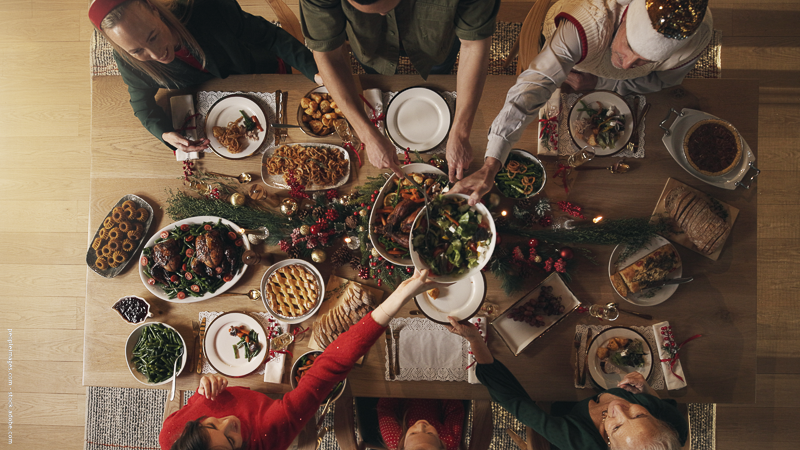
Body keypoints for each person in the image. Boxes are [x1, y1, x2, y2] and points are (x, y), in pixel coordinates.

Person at [451, 0, 713, 204]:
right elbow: (533, 88)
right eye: (629, 47)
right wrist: (491, 163)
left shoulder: (697, 40)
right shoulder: (588, 23)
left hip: (596, 81)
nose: (627, 65)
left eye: (644, 61)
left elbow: (657, 82)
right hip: (566, 52)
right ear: (624, 18)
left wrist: (602, 83)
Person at [159, 269, 437, 450]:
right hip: (277, 416)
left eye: (211, 424)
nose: (227, 421)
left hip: (250, 394)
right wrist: (399, 296)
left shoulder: (170, 434)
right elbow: (330, 366)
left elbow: (196, 404)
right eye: (231, 441)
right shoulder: (270, 428)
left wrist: (205, 390)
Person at [299, 0, 500, 182]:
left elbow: (474, 45)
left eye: (384, 6)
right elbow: (329, 56)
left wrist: (461, 132)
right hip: (373, 48)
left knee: (439, 72)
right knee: (378, 74)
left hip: (437, 43)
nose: (382, 14)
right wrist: (367, 135)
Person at [89, 0, 321, 153]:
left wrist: (317, 73)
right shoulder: (127, 61)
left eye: (153, 37)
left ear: (154, 9)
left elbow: (272, 37)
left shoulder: (207, 7)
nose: (156, 54)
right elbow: (142, 106)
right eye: (137, 51)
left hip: (262, 71)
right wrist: (166, 134)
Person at [445, 317, 688, 450]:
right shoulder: (673, 428)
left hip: (563, 409)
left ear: (610, 446)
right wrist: (647, 390)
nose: (618, 408)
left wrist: (475, 340)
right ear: (658, 420)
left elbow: (513, 400)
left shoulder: (577, 440)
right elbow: (660, 403)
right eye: (639, 415)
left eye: (615, 428)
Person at [377, 397, 464, 450]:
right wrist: (439, 388)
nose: (421, 425)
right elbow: (454, 409)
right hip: (438, 393)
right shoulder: (450, 440)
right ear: (441, 444)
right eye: (429, 433)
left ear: (403, 445)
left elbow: (385, 407)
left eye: (413, 433)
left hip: (402, 392)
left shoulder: (394, 439)